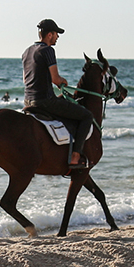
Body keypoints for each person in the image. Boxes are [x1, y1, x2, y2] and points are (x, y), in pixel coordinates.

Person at [22, 19, 94, 170]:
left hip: (28, 101)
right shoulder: (48, 50)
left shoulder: (27, 51)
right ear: (49, 35)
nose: (57, 37)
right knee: (87, 116)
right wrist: (63, 81)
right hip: (45, 101)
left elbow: (26, 79)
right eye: (56, 34)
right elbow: (55, 79)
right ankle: (75, 156)